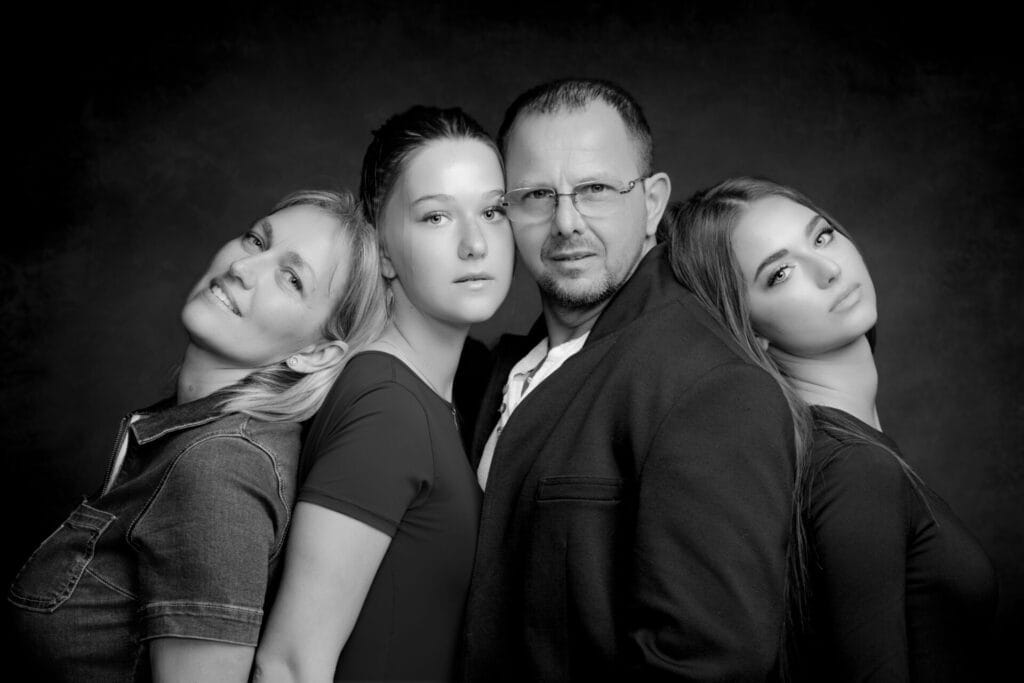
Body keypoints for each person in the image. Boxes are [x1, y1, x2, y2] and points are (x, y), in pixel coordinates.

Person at [461, 78, 795, 681]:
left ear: (652, 202)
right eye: (537, 194)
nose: (565, 221)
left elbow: (710, 663)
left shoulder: (707, 382)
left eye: (595, 189)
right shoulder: (501, 370)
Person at [7, 189, 386, 682]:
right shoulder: (196, 437)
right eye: (255, 240)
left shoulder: (219, 468)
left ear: (315, 355)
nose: (243, 268)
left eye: (291, 279)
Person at [661, 176, 998, 682]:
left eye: (821, 237)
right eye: (780, 273)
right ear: (746, 327)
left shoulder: (848, 452)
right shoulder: (852, 470)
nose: (829, 269)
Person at [253, 106, 514, 682]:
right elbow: (290, 664)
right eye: (436, 217)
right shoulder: (387, 404)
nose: (476, 244)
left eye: (493, 210)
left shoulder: (438, 391)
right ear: (383, 249)